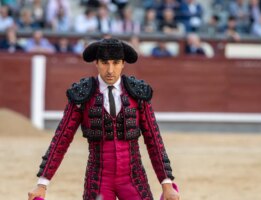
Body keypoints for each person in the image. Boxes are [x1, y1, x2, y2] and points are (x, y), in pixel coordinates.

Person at [27, 38, 180, 200]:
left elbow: (153, 139)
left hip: (133, 178)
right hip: (99, 179)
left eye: (115, 63)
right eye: (105, 63)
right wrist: (42, 183)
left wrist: (167, 183)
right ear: (96, 63)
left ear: (123, 64)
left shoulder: (138, 93)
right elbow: (61, 139)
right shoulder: (82, 95)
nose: (110, 70)